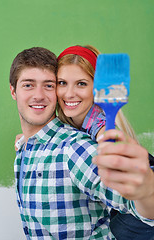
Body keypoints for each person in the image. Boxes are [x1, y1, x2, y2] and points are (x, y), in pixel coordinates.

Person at [10, 47, 154, 239]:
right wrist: (27, 143)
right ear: (13, 91)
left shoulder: (83, 141)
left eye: (48, 85)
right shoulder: (31, 147)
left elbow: (132, 200)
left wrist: (146, 193)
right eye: (62, 83)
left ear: (96, 90)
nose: (69, 94)